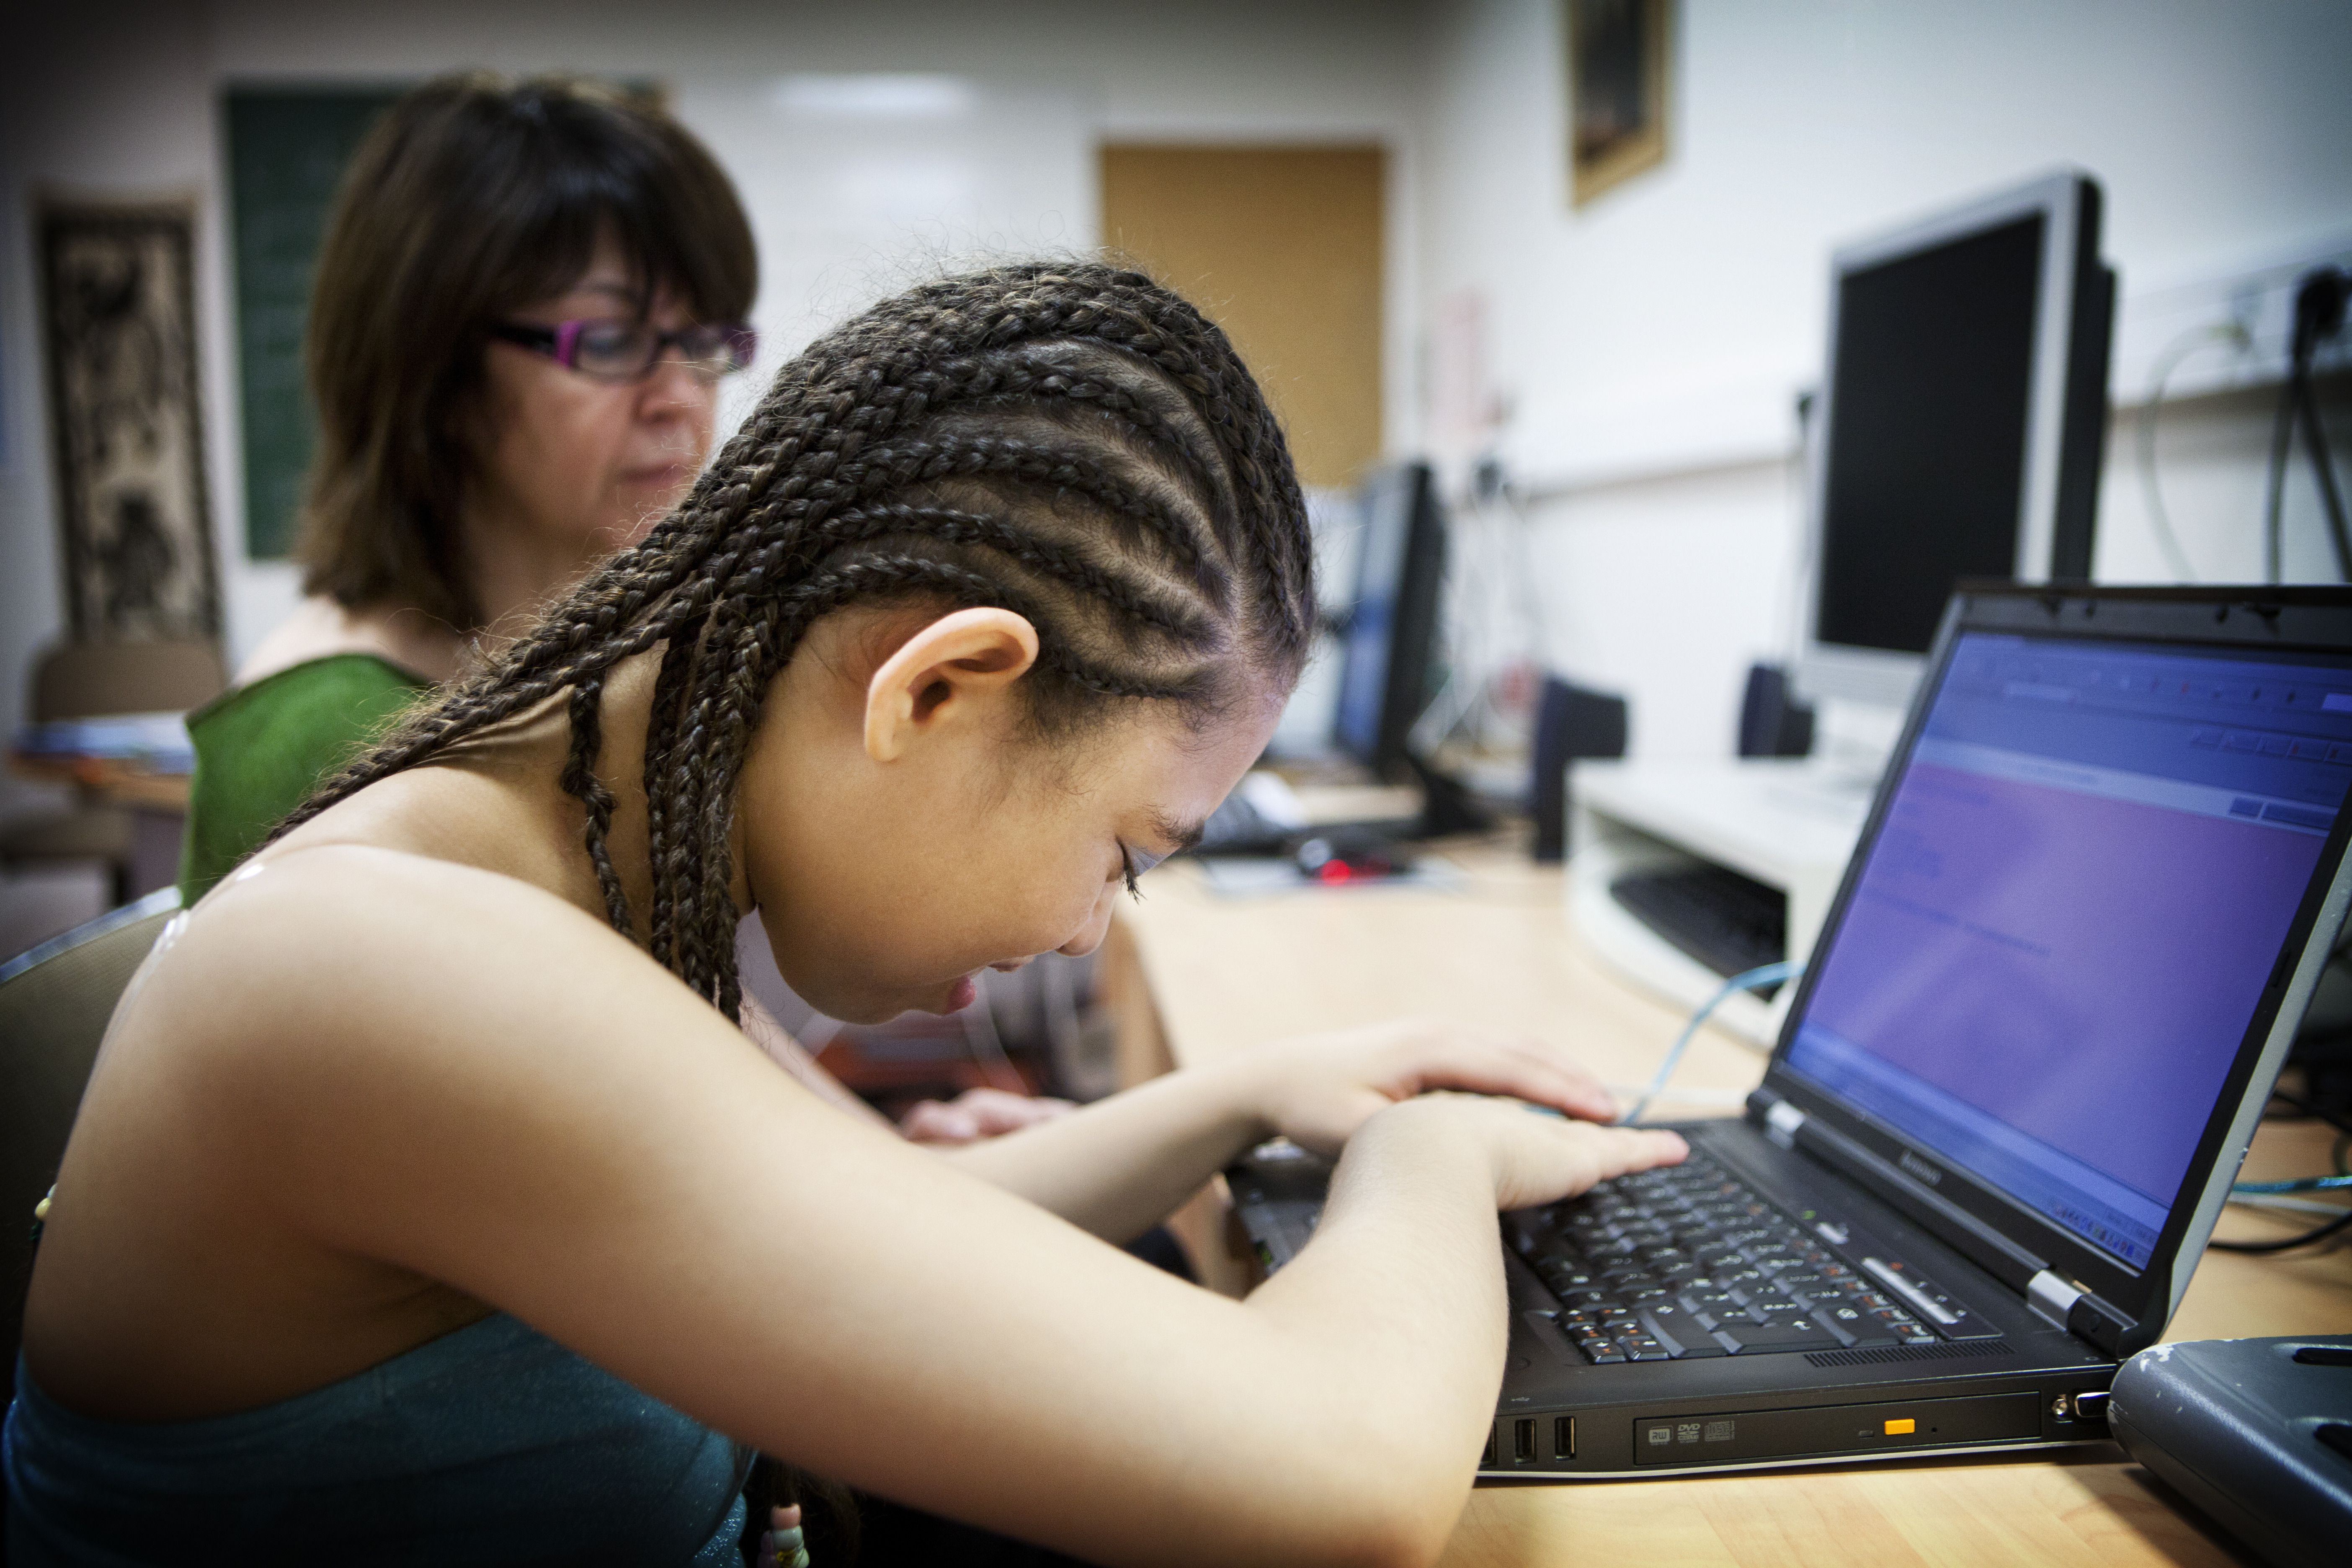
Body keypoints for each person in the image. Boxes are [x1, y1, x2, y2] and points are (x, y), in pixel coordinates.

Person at [7, 261, 1685, 1567]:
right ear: (941, 688)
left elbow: (878, 1223)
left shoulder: (570, 847)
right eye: (1126, 849)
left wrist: (1249, 1093)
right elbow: (1348, 1487)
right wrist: (1433, 1164)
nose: (1097, 930)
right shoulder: (400, 974)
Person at [175, 72, 758, 904]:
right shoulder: (328, 735)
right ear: (441, 375)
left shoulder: (591, 657)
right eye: (609, 340)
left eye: (702, 339)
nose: (681, 395)